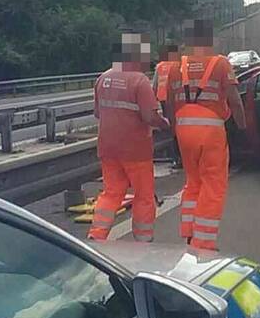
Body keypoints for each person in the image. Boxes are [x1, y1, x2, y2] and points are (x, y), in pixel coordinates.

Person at [166, 19, 246, 251]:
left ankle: (189, 233)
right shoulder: (220, 63)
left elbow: (169, 102)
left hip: (183, 128)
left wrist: (174, 129)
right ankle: (204, 243)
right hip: (210, 130)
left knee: (193, 182)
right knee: (213, 185)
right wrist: (242, 127)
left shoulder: (176, 66)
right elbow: (235, 100)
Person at [88, 33, 170, 243]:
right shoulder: (139, 81)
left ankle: (97, 236)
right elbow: (150, 116)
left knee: (111, 193)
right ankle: (143, 240)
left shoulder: (103, 78)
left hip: (108, 148)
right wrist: (164, 124)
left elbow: (97, 113)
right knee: (143, 196)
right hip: (135, 150)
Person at [152, 44, 182, 167]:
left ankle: (175, 157)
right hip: (177, 100)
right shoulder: (179, 65)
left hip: (164, 100)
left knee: (171, 128)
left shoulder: (160, 66)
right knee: (178, 127)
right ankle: (180, 156)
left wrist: (152, 102)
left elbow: (154, 86)